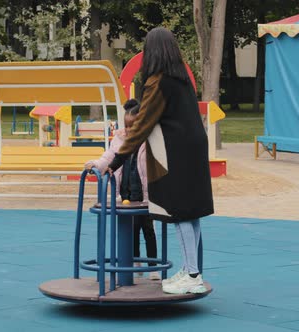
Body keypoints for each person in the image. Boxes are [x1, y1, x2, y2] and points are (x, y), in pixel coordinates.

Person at [107, 27, 214, 294]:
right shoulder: (181, 78)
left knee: (178, 211)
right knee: (191, 211)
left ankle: (192, 275)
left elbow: (142, 124)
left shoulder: (158, 82)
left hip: (175, 151)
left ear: (150, 51)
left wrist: (116, 160)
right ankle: (192, 269)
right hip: (194, 148)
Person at [84, 99, 160, 280]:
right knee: (132, 228)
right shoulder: (119, 139)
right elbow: (109, 156)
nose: (129, 130)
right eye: (126, 126)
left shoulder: (151, 140)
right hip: (126, 192)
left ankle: (153, 266)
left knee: (148, 229)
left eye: (133, 126)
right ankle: (134, 262)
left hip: (146, 194)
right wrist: (96, 164)